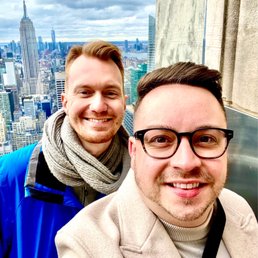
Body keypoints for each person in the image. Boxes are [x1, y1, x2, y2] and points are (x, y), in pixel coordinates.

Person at [55, 62, 258, 258]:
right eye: (161, 139)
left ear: (225, 148)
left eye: (205, 139)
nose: (186, 162)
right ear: (134, 152)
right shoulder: (85, 244)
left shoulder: (238, 207)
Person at [0, 40, 131, 258]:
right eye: (85, 92)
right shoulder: (11, 176)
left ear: (124, 103)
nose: (98, 106)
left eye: (110, 93)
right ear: (65, 101)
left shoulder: (142, 178)